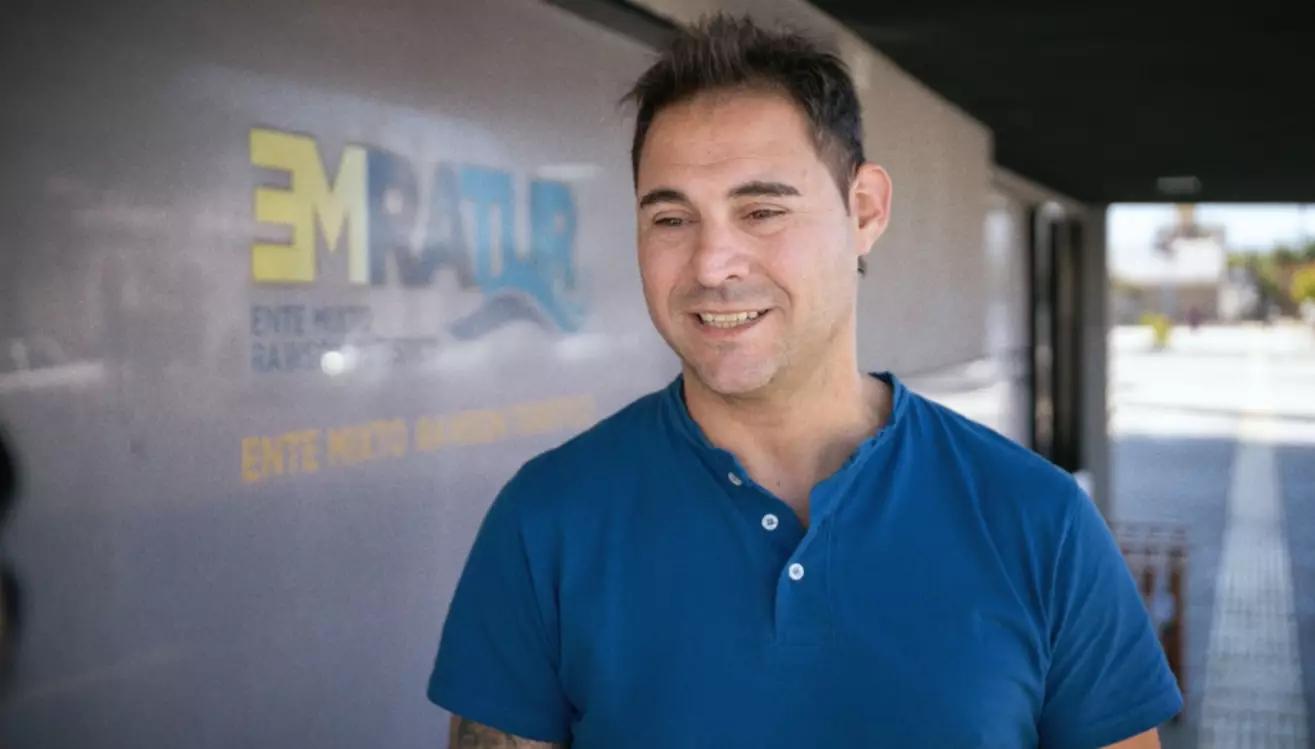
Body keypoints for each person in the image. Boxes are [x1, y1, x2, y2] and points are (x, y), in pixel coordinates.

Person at [427, 14, 1182, 749]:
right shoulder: (547, 521)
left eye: (761, 210)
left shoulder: (1036, 519)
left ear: (864, 210)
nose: (712, 264)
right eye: (671, 219)